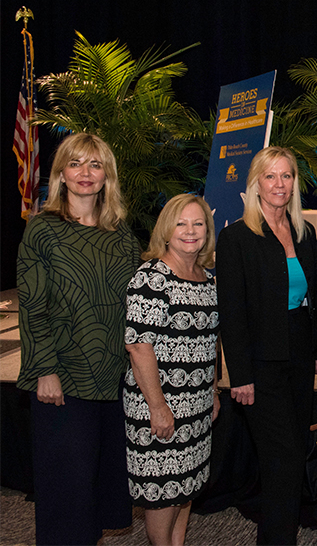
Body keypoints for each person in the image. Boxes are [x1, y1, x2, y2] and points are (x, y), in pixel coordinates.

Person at [16, 132, 140, 544]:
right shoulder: (43, 230)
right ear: (61, 175)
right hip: (63, 381)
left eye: (95, 164)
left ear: (108, 176)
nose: (85, 173)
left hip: (113, 381)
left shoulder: (122, 235)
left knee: (95, 490)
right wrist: (43, 371)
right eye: (75, 164)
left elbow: (134, 307)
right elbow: (33, 307)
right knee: (65, 494)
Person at [216, 146, 317, 545]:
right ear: (256, 184)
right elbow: (232, 314)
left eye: (287, 176)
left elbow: (310, 299)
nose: (279, 184)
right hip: (260, 367)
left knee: (293, 453)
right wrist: (239, 376)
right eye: (270, 176)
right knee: (283, 459)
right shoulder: (236, 238)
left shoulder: (303, 232)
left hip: (298, 357)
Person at [124, 194, 220, 545]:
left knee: (185, 489)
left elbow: (209, 343)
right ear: (166, 229)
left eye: (198, 224)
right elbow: (137, 344)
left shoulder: (206, 279)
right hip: (159, 407)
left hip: (196, 407)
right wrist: (158, 406)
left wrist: (211, 392)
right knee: (163, 493)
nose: (190, 231)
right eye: (181, 223)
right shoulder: (151, 278)